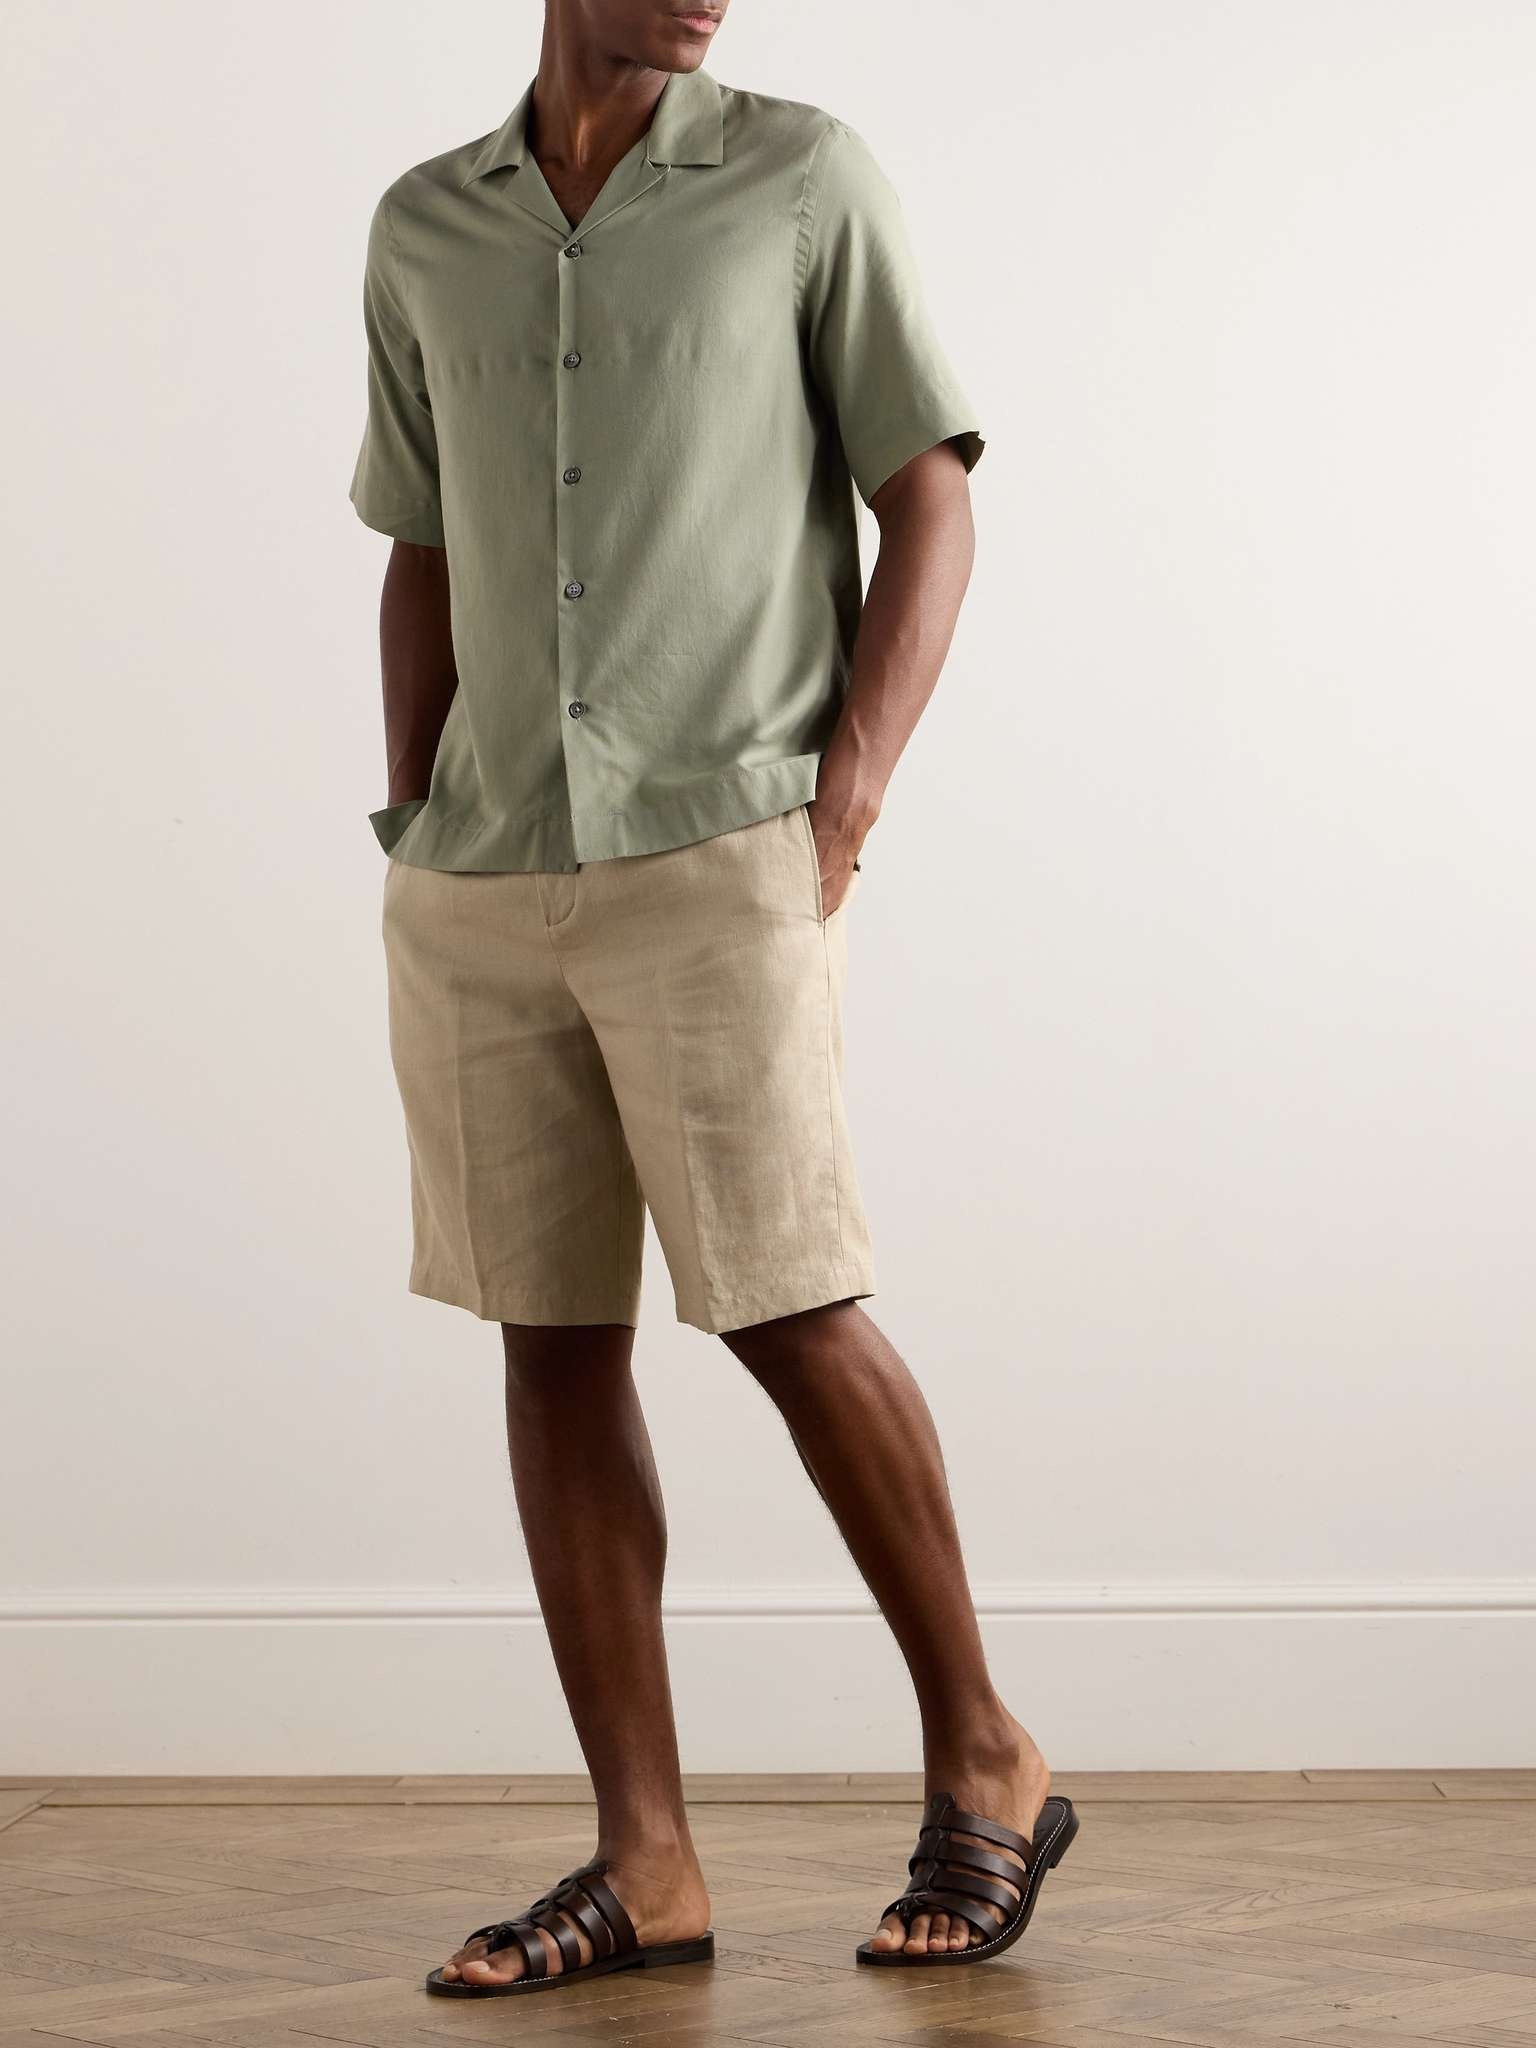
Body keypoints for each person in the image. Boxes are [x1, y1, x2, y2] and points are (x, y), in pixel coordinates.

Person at [350, 0, 1077, 2003]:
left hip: (725, 839)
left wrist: (850, 793)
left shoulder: (802, 178)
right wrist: (414, 807)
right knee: (551, 1337)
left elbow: (931, 491)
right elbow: (420, 539)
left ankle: (989, 1754)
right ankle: (646, 1859)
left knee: (788, 1299)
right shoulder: (427, 225)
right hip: (482, 866)